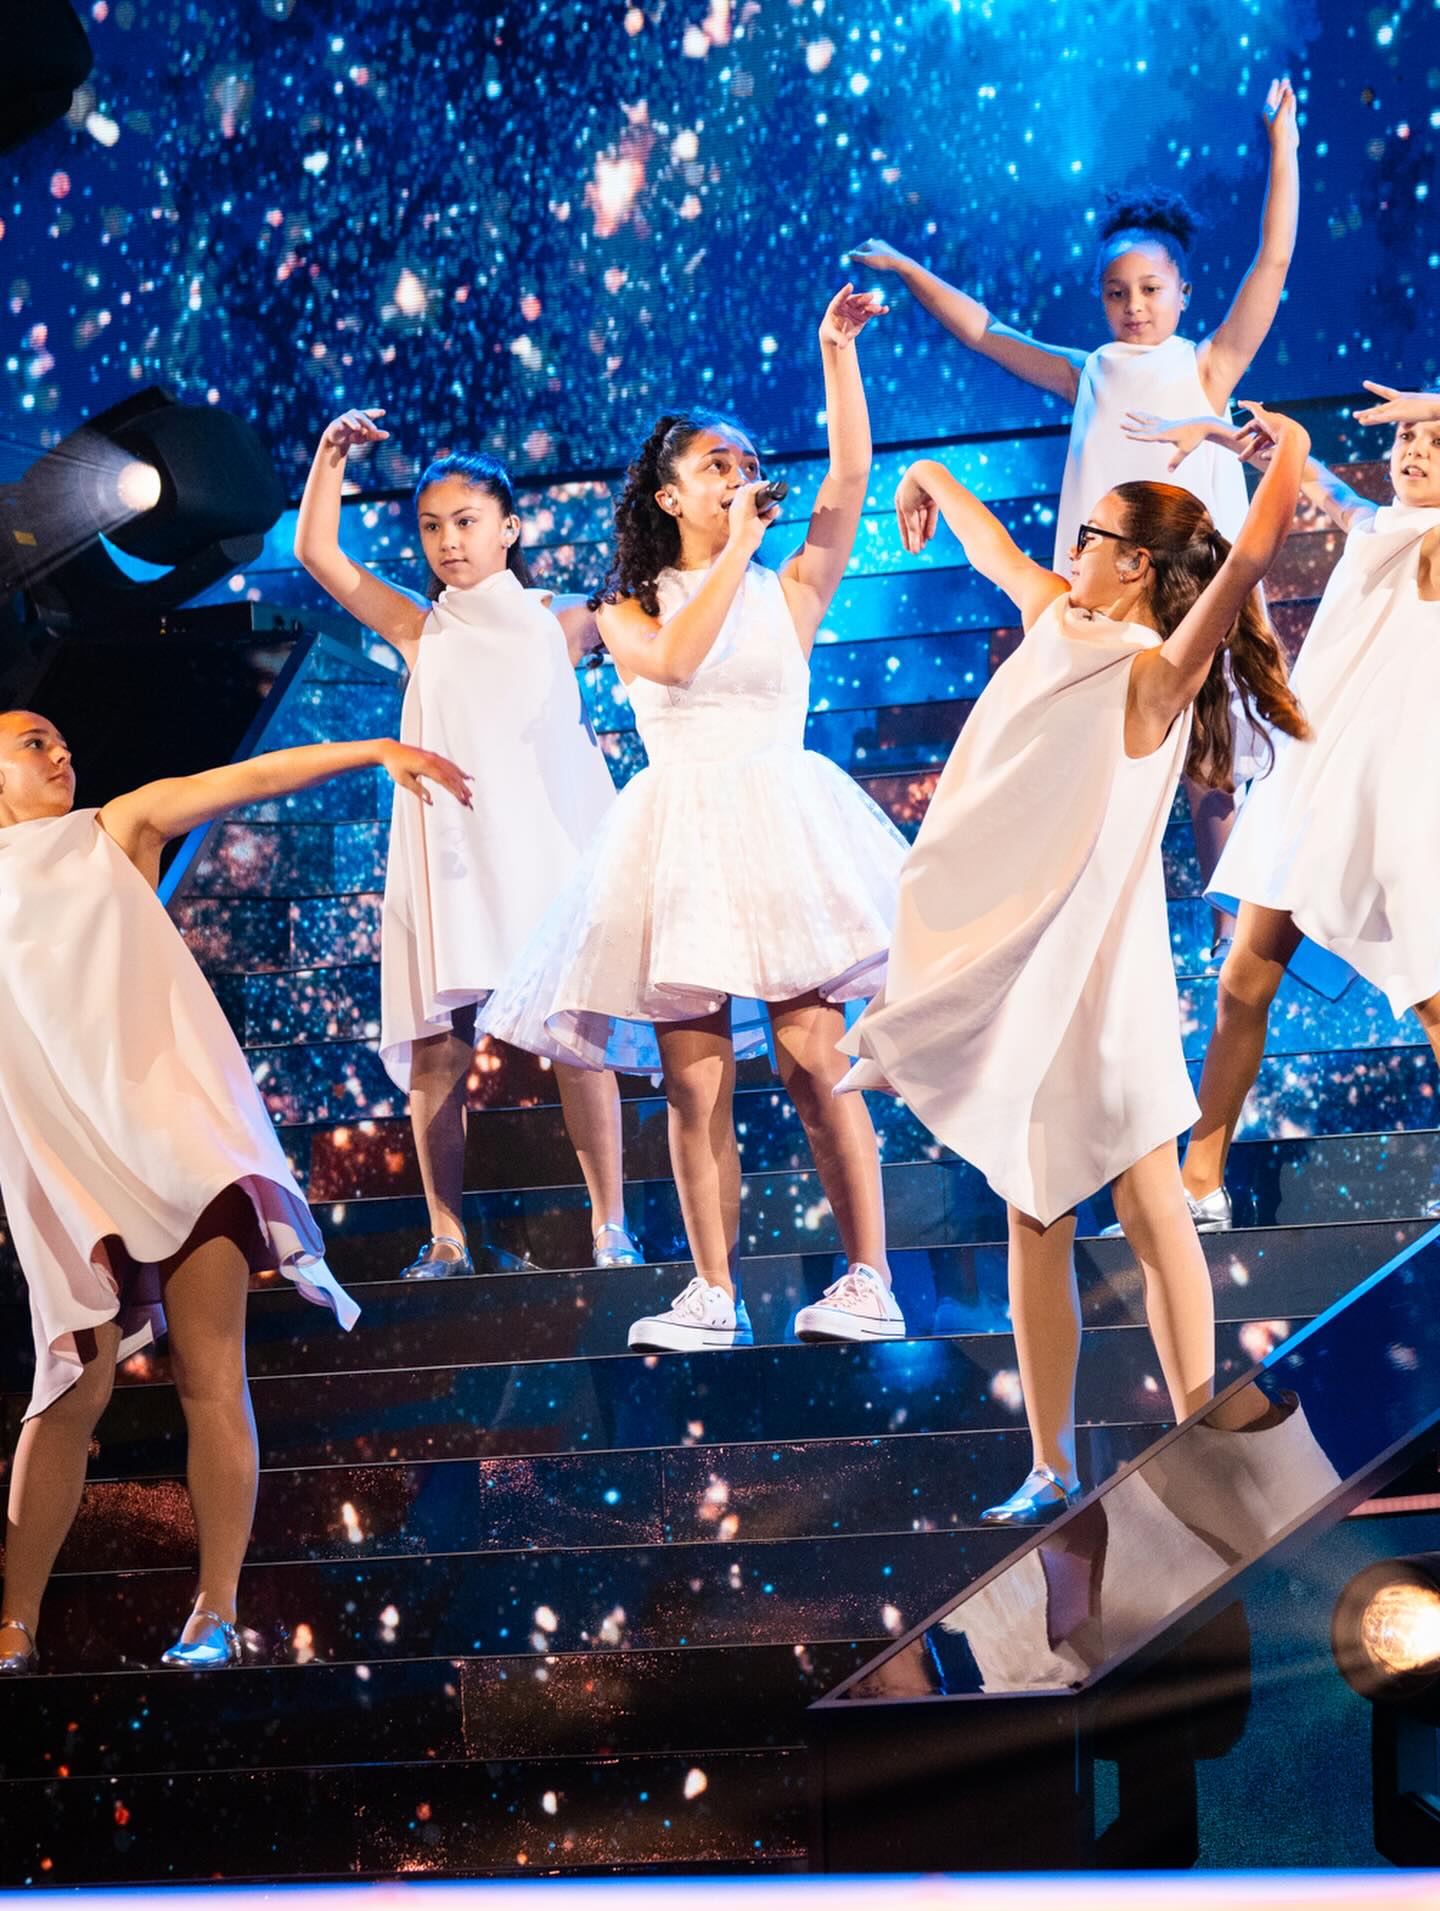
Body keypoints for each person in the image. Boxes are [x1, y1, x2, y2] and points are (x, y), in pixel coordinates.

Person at [836, 404, 1310, 1523]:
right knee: (1032, 1210)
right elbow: (994, 550)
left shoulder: (1156, 673)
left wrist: (1281, 449)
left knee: (1148, 1197)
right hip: (1029, 967)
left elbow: (1246, 559)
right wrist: (931, 475)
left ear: (1137, 565)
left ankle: (1199, 1428)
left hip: (1105, 971)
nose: (1072, 547)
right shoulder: (1059, 616)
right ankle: (1050, 1467)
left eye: (1093, 535)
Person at [480, 286, 910, 1352]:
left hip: (784, 829)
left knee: (814, 1059)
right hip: (677, 844)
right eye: (716, 465)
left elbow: (850, 477)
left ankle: (869, 1279)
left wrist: (835, 351)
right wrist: (728, 558)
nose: (739, 476)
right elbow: (675, 662)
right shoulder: (627, 608)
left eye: (746, 462)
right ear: (669, 495)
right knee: (693, 1080)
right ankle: (715, 1292)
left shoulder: (790, 586)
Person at [0, 713, 465, 1673]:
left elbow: (248, 777)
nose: (61, 751)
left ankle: (215, 1610)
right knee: (72, 1384)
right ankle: (15, 1624)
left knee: (210, 1372)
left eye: (60, 739)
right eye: (33, 742)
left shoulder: (113, 828)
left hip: (180, 1135)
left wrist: (372, 749)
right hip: (70, 1164)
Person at [849, 76, 1301, 953]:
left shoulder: (1207, 369)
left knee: (1211, 765)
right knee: (1098, 759)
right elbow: (985, 331)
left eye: (1151, 289)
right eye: (1117, 293)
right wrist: (907, 270)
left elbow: (1272, 265)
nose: (1134, 307)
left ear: (1182, 292)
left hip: (1191, 592)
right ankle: (1089, 930)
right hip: (1105, 601)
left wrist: (1282, 147)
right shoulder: (1087, 371)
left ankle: (1228, 925)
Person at [295, 418, 641, 1275]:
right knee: (438, 1043)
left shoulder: (562, 618)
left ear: (509, 527)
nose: (448, 540)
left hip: (546, 846)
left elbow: (660, 615)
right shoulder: (422, 627)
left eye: (466, 521)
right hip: (451, 856)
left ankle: (611, 1227)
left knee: (575, 1034)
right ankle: (446, 1234)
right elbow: (318, 554)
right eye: (431, 526)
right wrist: (331, 458)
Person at [1158, 386, 1440, 1227]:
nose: (1415, 449)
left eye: (1436, 440)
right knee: (1243, 980)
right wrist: (1246, 441)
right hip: (1315, 783)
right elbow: (1321, 483)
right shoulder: (1379, 525)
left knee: (1431, 994)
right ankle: (1198, 1182)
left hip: (1403, 796)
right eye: (1409, 437)